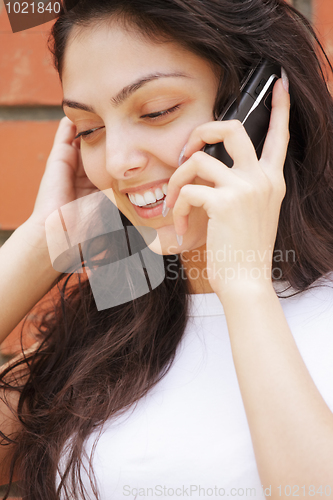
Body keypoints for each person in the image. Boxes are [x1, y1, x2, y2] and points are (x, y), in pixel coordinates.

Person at [1, 0, 333, 498]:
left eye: (156, 111)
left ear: (255, 107)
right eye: (91, 130)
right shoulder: (110, 326)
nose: (116, 161)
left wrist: (243, 287)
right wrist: (44, 239)